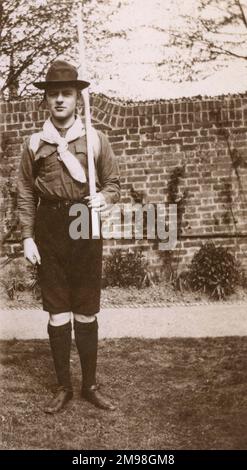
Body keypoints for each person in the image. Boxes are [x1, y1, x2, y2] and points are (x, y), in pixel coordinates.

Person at [17, 60, 120, 413]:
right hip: (49, 225)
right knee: (58, 311)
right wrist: (28, 237)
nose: (60, 100)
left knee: (86, 309)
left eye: (67, 93)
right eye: (53, 94)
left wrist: (103, 198)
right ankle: (63, 386)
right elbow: (27, 194)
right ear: (46, 100)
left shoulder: (94, 139)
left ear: (77, 98)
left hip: (84, 221)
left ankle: (89, 385)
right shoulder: (34, 143)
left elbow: (114, 184)